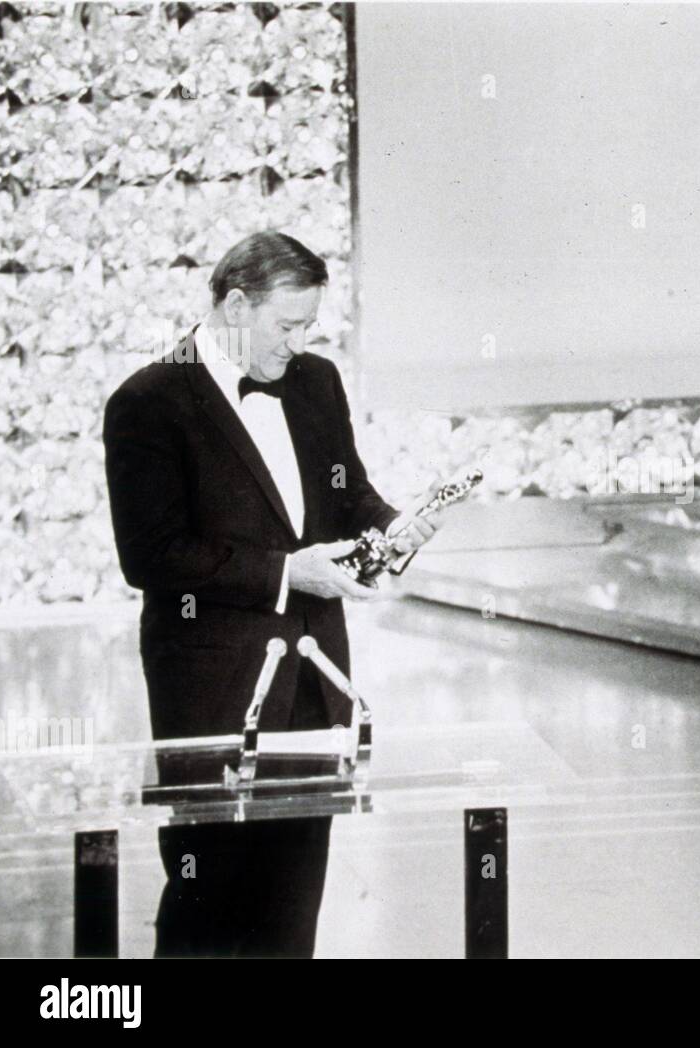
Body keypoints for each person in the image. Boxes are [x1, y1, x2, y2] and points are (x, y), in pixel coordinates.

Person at [103, 231, 438, 956]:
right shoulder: (148, 401)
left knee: (292, 908)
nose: (300, 342)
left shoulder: (316, 382)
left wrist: (395, 528)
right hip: (213, 685)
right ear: (232, 306)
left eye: (309, 325)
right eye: (287, 326)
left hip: (313, 681)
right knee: (207, 898)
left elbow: (347, 493)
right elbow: (152, 556)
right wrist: (289, 573)